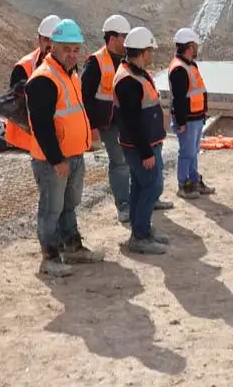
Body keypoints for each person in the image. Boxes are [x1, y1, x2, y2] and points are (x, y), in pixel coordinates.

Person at [25, 18, 103, 276]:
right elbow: (42, 126)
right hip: (53, 161)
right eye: (67, 49)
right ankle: (50, 257)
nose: (72, 54)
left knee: (68, 205)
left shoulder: (70, 74)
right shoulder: (43, 79)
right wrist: (57, 159)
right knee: (51, 208)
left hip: (73, 155)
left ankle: (72, 246)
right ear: (53, 48)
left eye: (75, 49)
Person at [114, 27, 170, 255]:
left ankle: (141, 230)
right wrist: (146, 152)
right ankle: (140, 235)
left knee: (139, 186)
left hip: (146, 143)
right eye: (150, 50)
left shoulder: (137, 73)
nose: (152, 55)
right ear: (143, 52)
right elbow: (132, 121)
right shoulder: (128, 81)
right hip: (140, 147)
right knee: (153, 186)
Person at [81, 14, 134, 223]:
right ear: (113, 38)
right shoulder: (95, 62)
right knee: (119, 162)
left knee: (133, 161)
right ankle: (123, 205)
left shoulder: (128, 59)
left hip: (128, 121)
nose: (127, 41)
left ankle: (139, 199)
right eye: (124, 37)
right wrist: (92, 126)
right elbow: (85, 96)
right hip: (109, 124)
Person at [5, 14, 60, 153]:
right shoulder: (24, 67)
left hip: (54, 139)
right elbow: (17, 108)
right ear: (39, 40)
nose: (50, 44)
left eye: (55, 40)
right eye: (47, 39)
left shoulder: (68, 66)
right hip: (28, 141)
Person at [170, 27, 212, 199]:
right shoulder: (179, 68)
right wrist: (180, 122)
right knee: (187, 152)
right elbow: (179, 99)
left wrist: (203, 112)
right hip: (187, 120)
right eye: (195, 45)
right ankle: (183, 184)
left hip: (196, 117)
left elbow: (198, 90)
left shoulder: (190, 65)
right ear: (189, 47)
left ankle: (194, 180)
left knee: (193, 151)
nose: (196, 49)